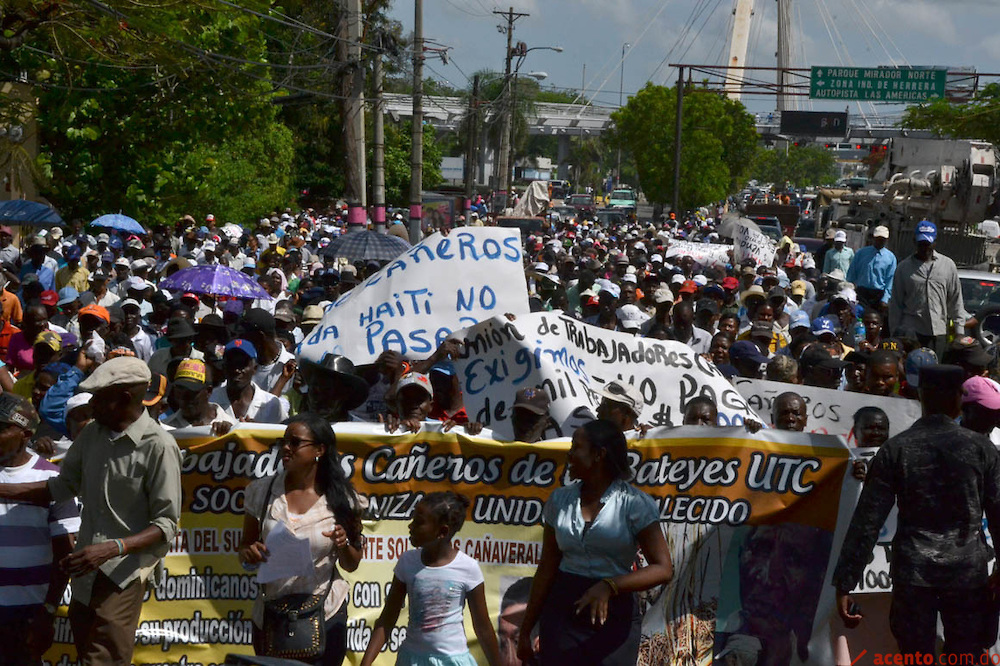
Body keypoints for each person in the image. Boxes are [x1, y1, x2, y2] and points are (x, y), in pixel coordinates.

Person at [0, 356, 183, 665]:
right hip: (86, 574)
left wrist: (113, 548)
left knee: (103, 659)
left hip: (123, 574)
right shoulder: (92, 435)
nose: (92, 405)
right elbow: (60, 488)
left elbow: (166, 524)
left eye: (99, 398)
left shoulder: (159, 445)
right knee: (87, 654)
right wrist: (4, 490)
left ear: (125, 397)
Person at [833, 365, 1000, 660]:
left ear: (921, 395)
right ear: (959, 399)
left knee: (915, 656)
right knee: (967, 655)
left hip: (913, 577)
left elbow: (867, 520)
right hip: (967, 576)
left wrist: (846, 581)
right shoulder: (981, 449)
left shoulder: (896, 449)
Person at [517, 420, 673, 664]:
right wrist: (526, 630)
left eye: (576, 447)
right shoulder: (559, 500)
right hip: (563, 614)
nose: (569, 454)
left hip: (614, 615)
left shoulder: (634, 504)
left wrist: (610, 586)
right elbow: (547, 567)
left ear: (599, 455)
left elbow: (663, 569)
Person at [239, 413, 367, 666]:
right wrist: (249, 554)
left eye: (295, 442)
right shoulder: (261, 492)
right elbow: (245, 547)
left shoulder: (343, 499)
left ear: (319, 449)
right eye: (283, 441)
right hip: (272, 615)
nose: (285, 448)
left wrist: (343, 544)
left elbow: (352, 564)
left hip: (325, 612)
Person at [360, 492, 501, 666]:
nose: (410, 527)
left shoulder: (468, 568)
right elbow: (387, 618)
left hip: (452, 660)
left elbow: (483, 628)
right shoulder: (407, 562)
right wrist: (365, 663)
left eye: (419, 523)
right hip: (412, 660)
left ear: (442, 532)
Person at [0, 393, 79, 665]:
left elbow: (64, 555)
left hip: (25, 618)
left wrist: (47, 611)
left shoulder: (52, 479)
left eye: (1, 428)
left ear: (25, 434)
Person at [888, 221, 965, 358]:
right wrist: (895, 332)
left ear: (935, 242)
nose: (925, 248)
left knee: (934, 374)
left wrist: (959, 333)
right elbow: (896, 304)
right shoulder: (903, 268)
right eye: (921, 244)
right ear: (914, 242)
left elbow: (956, 301)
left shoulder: (948, 266)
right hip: (911, 333)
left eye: (928, 243)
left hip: (938, 332)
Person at [211, 339, 288, 423]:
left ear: (254, 369)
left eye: (242, 364)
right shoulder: (211, 400)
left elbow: (284, 433)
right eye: (231, 364)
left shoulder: (271, 404)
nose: (236, 370)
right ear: (224, 367)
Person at [163, 358, 237, 434]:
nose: (185, 396)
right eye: (181, 389)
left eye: (192, 391)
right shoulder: (165, 428)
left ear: (208, 391)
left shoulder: (231, 427)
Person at [846, 225, 895, 310]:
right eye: (877, 238)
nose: (879, 241)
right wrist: (849, 292)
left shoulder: (891, 258)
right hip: (861, 293)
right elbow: (851, 274)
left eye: (882, 239)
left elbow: (890, 280)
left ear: (886, 240)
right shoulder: (861, 253)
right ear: (873, 238)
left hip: (878, 295)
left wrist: (885, 299)